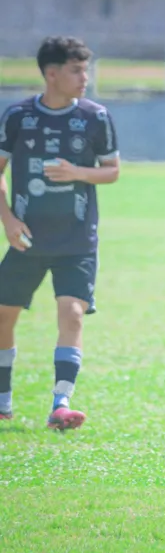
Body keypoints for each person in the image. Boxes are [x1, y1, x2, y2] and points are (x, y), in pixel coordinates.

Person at [0, 36, 120, 429]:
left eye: (86, 69)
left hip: (76, 240)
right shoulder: (17, 116)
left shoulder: (95, 116)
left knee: (72, 313)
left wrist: (78, 173)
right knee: (4, 316)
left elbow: (112, 170)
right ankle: (3, 401)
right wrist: (8, 220)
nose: (85, 77)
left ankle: (60, 404)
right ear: (52, 74)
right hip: (27, 239)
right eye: (76, 70)